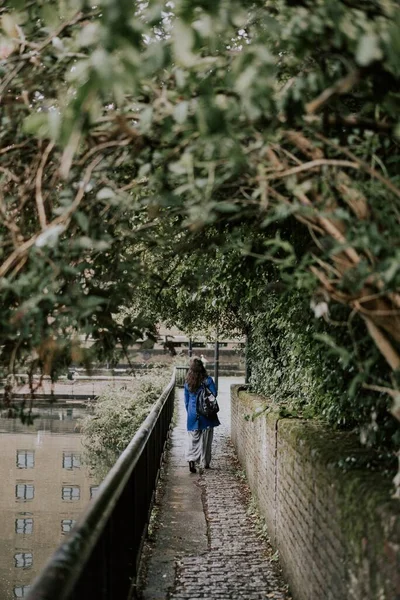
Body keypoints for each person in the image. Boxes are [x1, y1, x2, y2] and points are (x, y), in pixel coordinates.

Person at [184, 357, 219, 473]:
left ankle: (191, 458)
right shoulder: (208, 380)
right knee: (207, 439)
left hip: (192, 414)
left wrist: (190, 412)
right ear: (202, 367)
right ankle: (205, 462)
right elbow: (214, 394)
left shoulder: (188, 382)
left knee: (193, 439)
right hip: (206, 414)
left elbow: (186, 401)